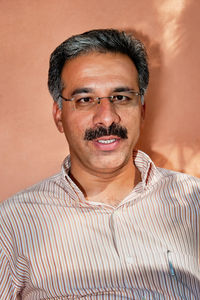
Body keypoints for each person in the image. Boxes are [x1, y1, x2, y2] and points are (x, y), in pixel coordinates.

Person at [0, 29, 199, 299]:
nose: (106, 119)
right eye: (85, 100)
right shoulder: (11, 225)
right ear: (59, 116)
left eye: (121, 97)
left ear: (141, 110)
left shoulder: (194, 201)